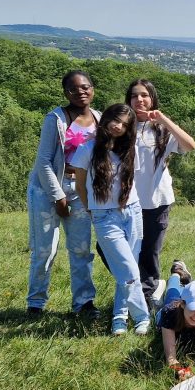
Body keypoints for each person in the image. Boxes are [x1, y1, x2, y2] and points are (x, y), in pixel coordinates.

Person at [70, 103, 151, 335]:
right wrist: (91, 209)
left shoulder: (130, 148)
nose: (117, 126)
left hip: (133, 212)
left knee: (124, 270)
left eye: (124, 124)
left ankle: (119, 318)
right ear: (105, 119)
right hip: (104, 216)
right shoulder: (87, 149)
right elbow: (80, 186)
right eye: (115, 120)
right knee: (128, 270)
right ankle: (142, 317)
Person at [26, 70, 99, 317]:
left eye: (85, 87)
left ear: (93, 89)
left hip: (80, 190)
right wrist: (58, 196)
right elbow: (43, 161)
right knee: (45, 249)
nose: (81, 92)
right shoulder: (55, 119)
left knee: (81, 250)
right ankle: (36, 303)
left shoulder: (100, 119)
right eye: (74, 89)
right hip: (48, 190)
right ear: (65, 92)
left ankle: (84, 303)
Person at [126, 79, 195, 311]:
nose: (140, 99)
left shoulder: (162, 130)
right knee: (116, 250)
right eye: (135, 95)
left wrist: (163, 118)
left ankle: (148, 296)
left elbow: (189, 145)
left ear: (152, 98)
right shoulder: (122, 126)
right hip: (126, 201)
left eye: (145, 95)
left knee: (149, 251)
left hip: (157, 200)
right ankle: (149, 287)